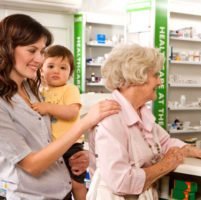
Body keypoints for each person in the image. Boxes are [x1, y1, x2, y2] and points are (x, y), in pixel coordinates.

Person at [87, 44, 201, 199]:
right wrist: (164, 166)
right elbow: (120, 181)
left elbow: (163, 143)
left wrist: (198, 152)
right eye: (155, 75)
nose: (160, 82)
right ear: (136, 77)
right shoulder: (111, 118)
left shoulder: (141, 111)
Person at [0, 14, 120, 199]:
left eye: (42, 51)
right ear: (6, 48)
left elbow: (46, 141)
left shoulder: (30, 88)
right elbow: (32, 165)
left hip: (63, 192)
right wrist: (84, 123)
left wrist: (83, 154)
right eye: (32, 51)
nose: (40, 59)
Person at [31, 45, 87, 200]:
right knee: (59, 185)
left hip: (71, 145)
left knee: (76, 183)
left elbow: (72, 112)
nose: (56, 71)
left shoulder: (70, 89)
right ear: (41, 70)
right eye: (50, 66)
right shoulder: (39, 92)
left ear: (69, 74)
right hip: (50, 147)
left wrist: (47, 107)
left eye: (63, 68)